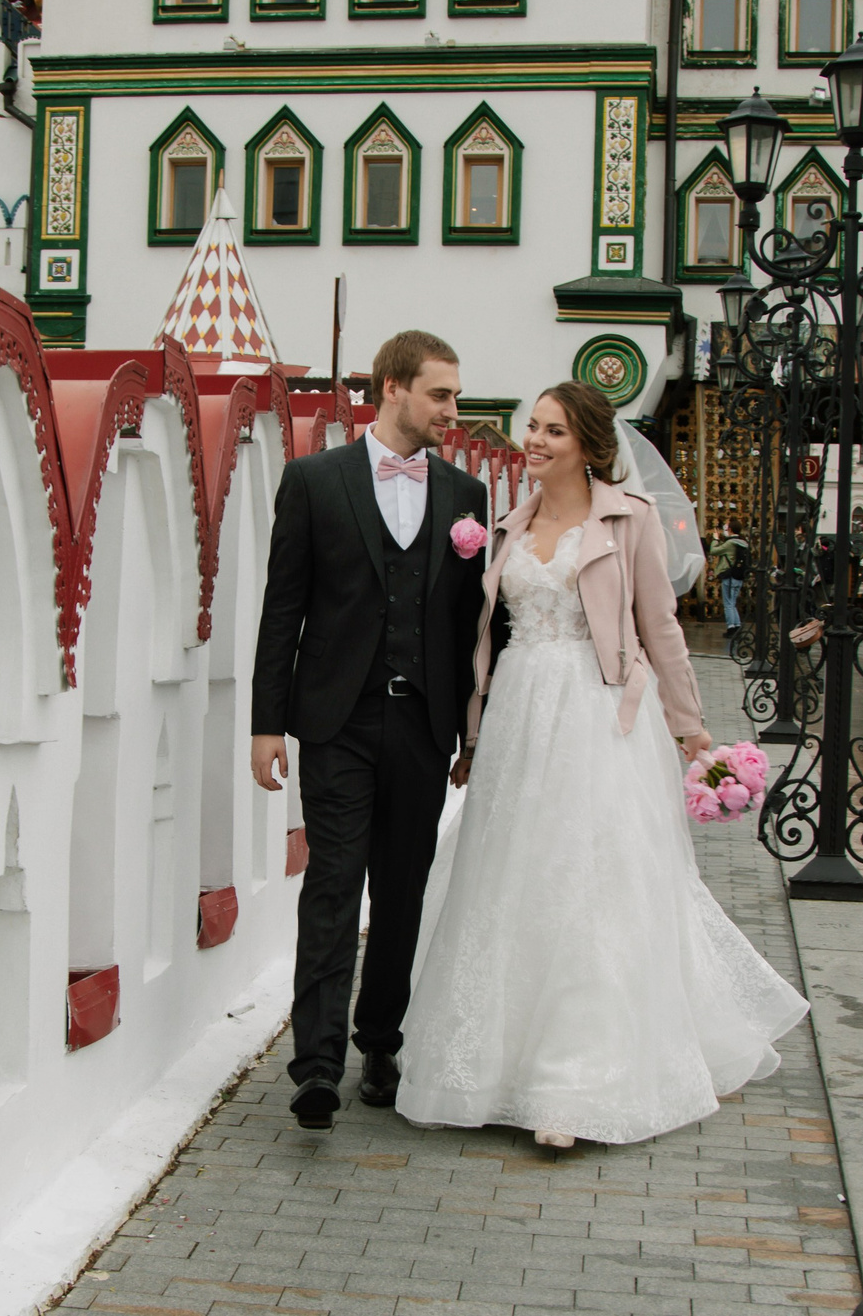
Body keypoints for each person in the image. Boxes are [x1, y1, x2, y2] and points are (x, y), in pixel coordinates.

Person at [395, 381, 808, 1149]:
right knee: (509, 877)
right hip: (519, 717)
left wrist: (693, 733)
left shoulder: (630, 519)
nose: (536, 440)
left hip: (597, 715)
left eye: (553, 429)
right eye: (532, 426)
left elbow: (660, 628)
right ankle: (491, 1067)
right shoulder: (506, 525)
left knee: (588, 882)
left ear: (586, 442)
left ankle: (574, 1083)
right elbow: (484, 638)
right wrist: (472, 740)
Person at [248, 331, 490, 1132]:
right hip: (336, 720)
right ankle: (316, 1063)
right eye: (440, 394)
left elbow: (468, 623)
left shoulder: (466, 496)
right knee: (331, 883)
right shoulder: (314, 481)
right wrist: (267, 723)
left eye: (454, 396)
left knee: (401, 892)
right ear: (392, 387)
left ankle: (379, 1041)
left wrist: (469, 728)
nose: (452, 411)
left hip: (423, 723)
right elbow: (284, 606)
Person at [708, 523, 749, 636]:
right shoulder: (742, 542)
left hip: (729, 575)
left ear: (730, 529)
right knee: (733, 602)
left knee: (728, 604)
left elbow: (714, 551)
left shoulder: (730, 543)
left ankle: (731, 628)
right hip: (738, 576)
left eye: (726, 529)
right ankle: (737, 626)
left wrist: (715, 539)